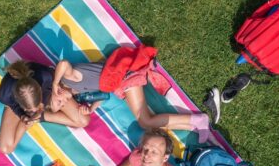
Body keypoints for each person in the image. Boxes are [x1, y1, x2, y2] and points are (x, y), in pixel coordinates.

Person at [52, 58, 213, 141]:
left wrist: (54, 83)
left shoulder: (70, 79)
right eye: (61, 106)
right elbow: (104, 94)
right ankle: (193, 124)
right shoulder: (75, 92)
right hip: (120, 84)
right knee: (146, 123)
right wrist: (91, 108)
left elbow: (64, 63)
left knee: (145, 121)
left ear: (56, 91)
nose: (63, 103)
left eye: (58, 101)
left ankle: (198, 120)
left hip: (125, 77)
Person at [0, 60, 92, 154]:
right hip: (21, 104)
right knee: (5, 149)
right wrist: (21, 114)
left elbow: (57, 83)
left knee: (83, 120)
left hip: (49, 93)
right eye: (29, 110)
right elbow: (13, 106)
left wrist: (55, 97)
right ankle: (30, 119)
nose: (34, 111)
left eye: (37, 107)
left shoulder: (45, 76)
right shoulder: (5, 96)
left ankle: (39, 117)